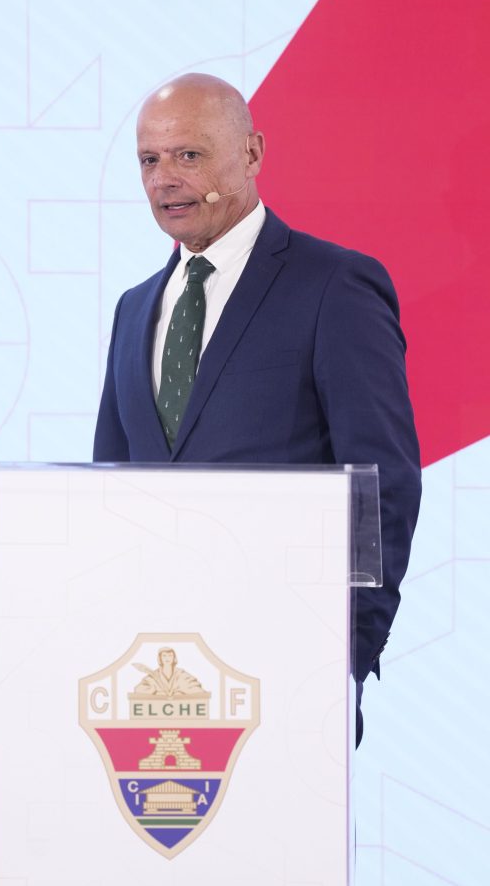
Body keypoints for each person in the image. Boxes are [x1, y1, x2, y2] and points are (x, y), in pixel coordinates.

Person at [93, 73, 421, 744]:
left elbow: (382, 486)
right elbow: (112, 490)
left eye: (189, 155)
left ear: (251, 153)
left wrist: (344, 654)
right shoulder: (133, 309)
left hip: (292, 673)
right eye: (149, 160)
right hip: (152, 686)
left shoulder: (334, 286)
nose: (164, 179)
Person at [133, 648, 206, 697]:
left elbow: (197, 689)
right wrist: (154, 690)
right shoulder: (154, 675)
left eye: (170, 655)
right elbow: (138, 689)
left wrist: (180, 691)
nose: (167, 658)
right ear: (160, 658)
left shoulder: (181, 674)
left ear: (174, 658)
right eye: (164, 656)